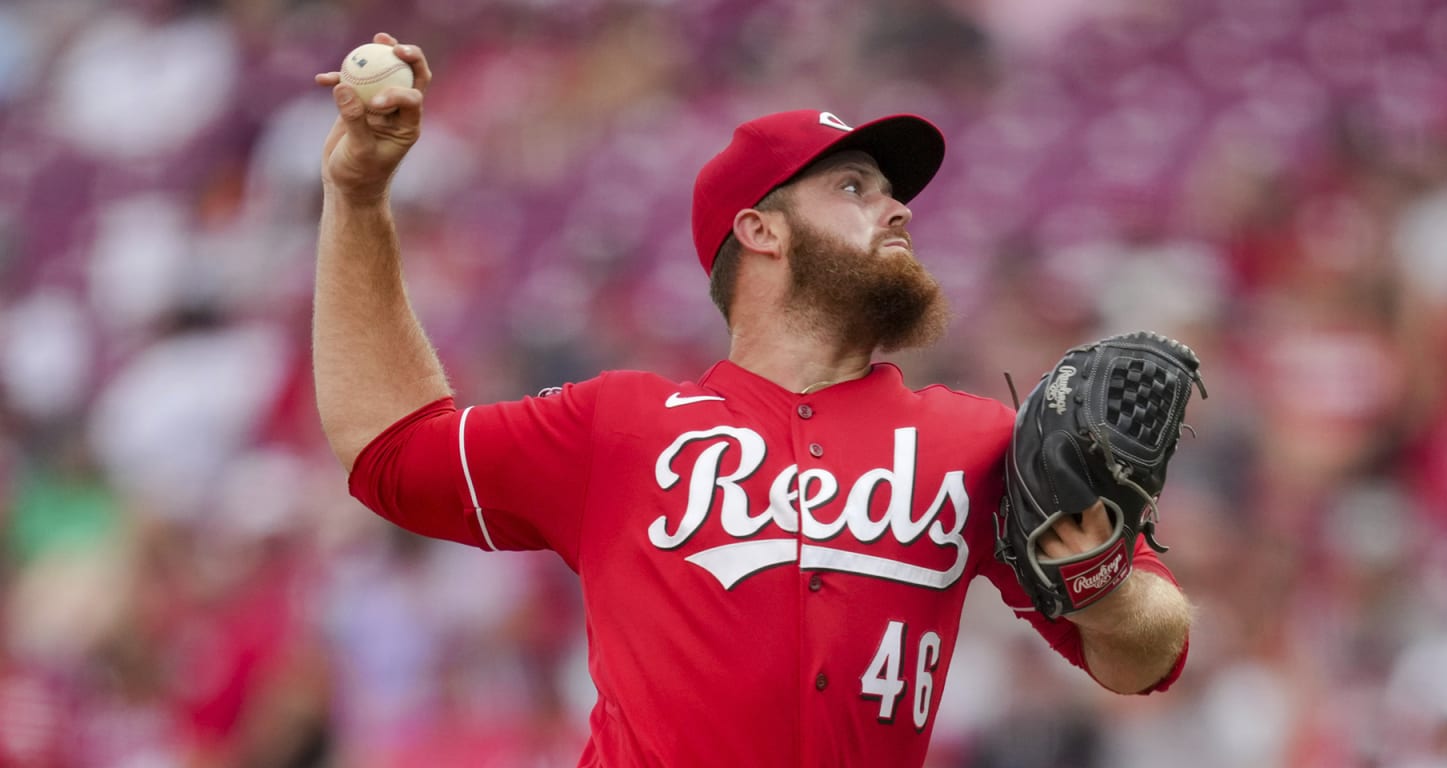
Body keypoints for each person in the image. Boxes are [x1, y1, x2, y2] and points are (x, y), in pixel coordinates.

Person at [313, 32, 1192, 768]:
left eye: (892, 194)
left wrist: (1100, 578)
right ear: (759, 230)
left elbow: (1153, 656)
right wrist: (358, 197)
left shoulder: (977, 442)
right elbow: (388, 452)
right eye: (854, 187)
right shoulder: (619, 426)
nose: (895, 211)